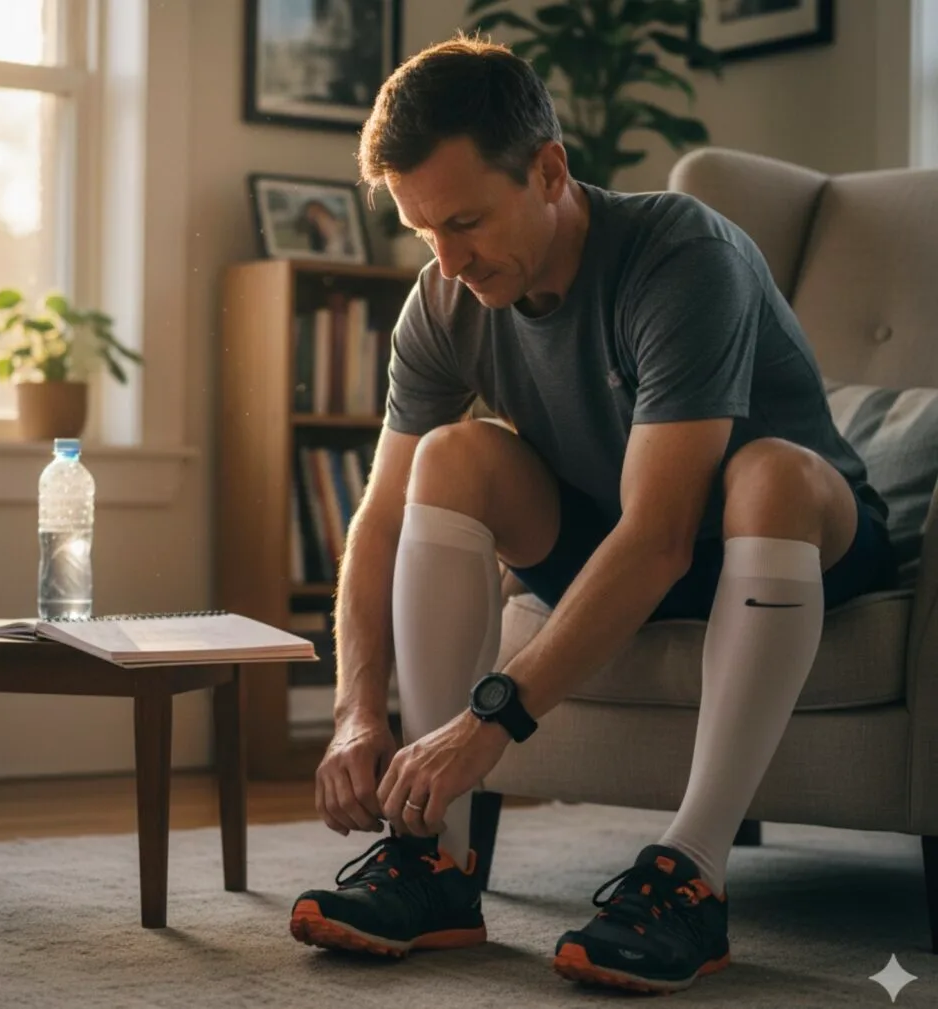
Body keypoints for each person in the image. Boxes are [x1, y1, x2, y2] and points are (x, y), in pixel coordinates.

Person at [289, 35, 898, 994]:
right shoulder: (443, 299)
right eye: (424, 233)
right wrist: (357, 713)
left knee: (770, 472)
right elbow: (378, 517)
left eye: (468, 221)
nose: (448, 261)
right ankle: (437, 865)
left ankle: (693, 872)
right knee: (451, 456)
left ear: (549, 170)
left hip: (786, 537)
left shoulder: (679, 254)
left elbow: (660, 534)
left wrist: (490, 719)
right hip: (614, 538)